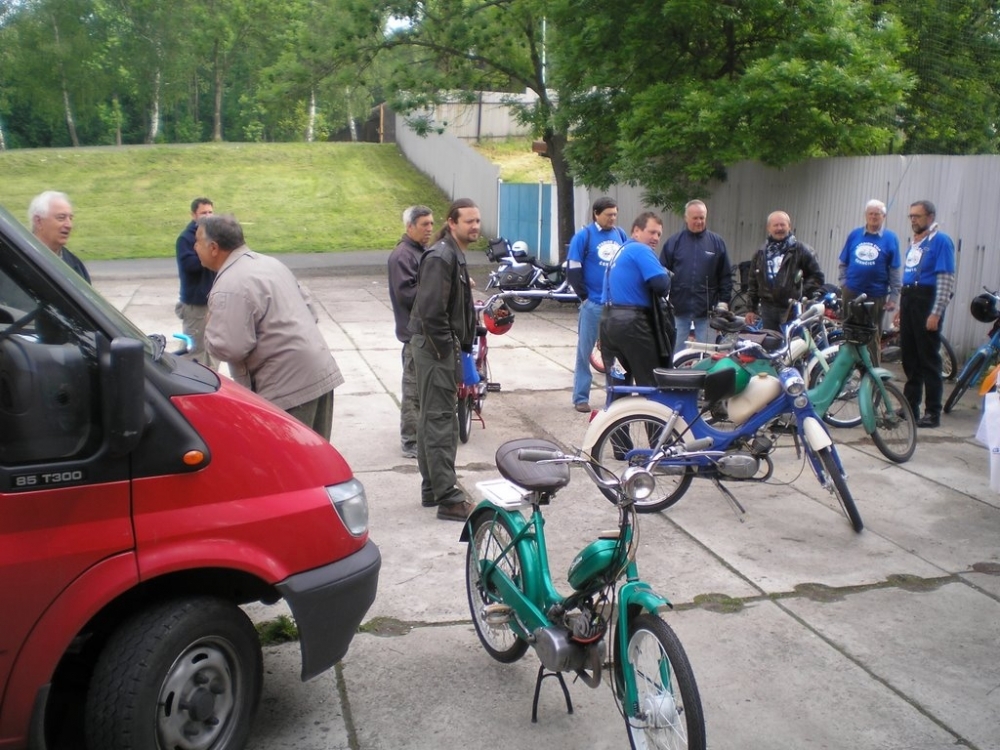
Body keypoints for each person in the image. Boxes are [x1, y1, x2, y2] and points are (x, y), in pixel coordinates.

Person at [195, 214, 344, 439]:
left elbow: (230, 348)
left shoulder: (230, 284)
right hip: (318, 373)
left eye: (197, 241)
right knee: (316, 456)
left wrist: (210, 327)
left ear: (214, 248)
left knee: (291, 459)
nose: (194, 247)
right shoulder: (270, 264)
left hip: (288, 388)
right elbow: (311, 312)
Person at [407, 198, 479, 521]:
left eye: (477, 221)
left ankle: (432, 488)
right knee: (440, 420)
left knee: (432, 418)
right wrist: (446, 352)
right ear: (452, 223)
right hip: (436, 348)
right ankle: (449, 498)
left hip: (439, 347)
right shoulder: (441, 256)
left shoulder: (452, 253)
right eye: (469, 221)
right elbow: (432, 312)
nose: (475, 227)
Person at [897, 200, 956, 428]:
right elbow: (909, 274)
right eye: (911, 216)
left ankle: (932, 412)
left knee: (928, 359)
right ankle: (910, 405)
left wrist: (936, 313)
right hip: (909, 298)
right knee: (910, 357)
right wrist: (901, 308)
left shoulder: (941, 241)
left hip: (926, 300)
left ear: (930, 217)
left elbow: (946, 280)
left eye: (917, 216)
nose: (913, 220)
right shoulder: (915, 243)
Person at [567, 196, 628, 412]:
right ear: (596, 214)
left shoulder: (620, 235)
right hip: (593, 304)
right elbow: (573, 270)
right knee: (585, 352)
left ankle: (617, 396)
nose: (612, 218)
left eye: (615, 214)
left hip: (616, 305)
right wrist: (585, 297)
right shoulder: (583, 237)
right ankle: (581, 397)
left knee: (618, 354)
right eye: (608, 215)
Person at [601, 212, 671, 387]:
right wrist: (666, 273)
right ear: (636, 231)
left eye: (659, 234)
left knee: (618, 383)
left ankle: (617, 405)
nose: (656, 238)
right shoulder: (641, 250)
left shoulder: (620, 252)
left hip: (609, 324)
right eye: (652, 232)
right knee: (650, 383)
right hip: (633, 326)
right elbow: (661, 285)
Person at [387, 205, 434, 459]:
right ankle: (411, 441)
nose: (429, 229)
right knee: (414, 391)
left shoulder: (420, 251)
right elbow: (408, 295)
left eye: (431, 224)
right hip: (414, 336)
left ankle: (421, 436)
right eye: (424, 224)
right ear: (410, 226)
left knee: (426, 391)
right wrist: (438, 289)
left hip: (427, 334)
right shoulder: (403, 256)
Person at [660, 199, 732, 352]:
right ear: (686, 218)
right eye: (695, 218)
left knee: (708, 353)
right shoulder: (674, 242)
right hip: (678, 309)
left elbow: (725, 275)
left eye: (702, 218)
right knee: (676, 352)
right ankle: (676, 368)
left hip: (707, 311)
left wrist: (724, 302)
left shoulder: (716, 243)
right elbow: (662, 273)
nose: (699, 221)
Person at [838, 199, 901, 364]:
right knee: (849, 331)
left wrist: (894, 297)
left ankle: (872, 371)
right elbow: (843, 262)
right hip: (851, 291)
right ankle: (849, 368)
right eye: (870, 214)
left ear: (883, 216)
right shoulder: (854, 235)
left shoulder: (891, 238)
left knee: (872, 334)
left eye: (877, 214)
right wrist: (843, 284)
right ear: (865, 215)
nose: (873, 217)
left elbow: (894, 270)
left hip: (876, 295)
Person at [745, 210, 824, 331]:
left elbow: (817, 277)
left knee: (794, 342)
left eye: (782, 225)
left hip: (793, 310)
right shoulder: (760, 253)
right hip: (768, 310)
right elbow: (753, 283)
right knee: (770, 341)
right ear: (768, 228)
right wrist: (751, 309)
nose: (779, 228)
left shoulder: (802, 250)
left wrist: (798, 294)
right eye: (775, 225)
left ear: (789, 226)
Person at [175, 197, 217, 368]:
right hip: (196, 305)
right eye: (203, 213)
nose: (208, 216)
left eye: (210, 212)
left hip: (212, 302)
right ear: (194, 215)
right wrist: (209, 254)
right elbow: (190, 265)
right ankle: (189, 381)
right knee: (194, 351)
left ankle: (213, 380)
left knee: (213, 349)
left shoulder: (214, 236)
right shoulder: (186, 239)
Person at [28, 191, 90, 282]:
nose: (69, 225)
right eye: (61, 218)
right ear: (38, 221)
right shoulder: (20, 260)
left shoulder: (76, 267)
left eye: (70, 218)